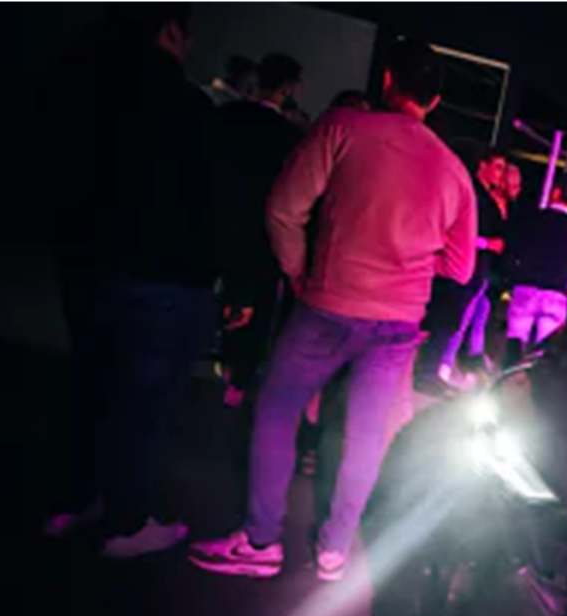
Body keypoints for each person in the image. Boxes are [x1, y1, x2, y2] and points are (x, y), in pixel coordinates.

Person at [190, 39, 477, 583]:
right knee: (366, 435)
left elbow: (283, 209)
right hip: (399, 322)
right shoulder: (453, 171)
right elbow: (460, 268)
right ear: (436, 101)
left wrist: (298, 270)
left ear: (387, 80)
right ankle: (334, 551)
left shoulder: (344, 127)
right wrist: (411, 259)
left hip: (327, 303)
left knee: (276, 409)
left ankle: (260, 540)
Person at [43, 1, 218, 559]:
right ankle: (127, 521)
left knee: (90, 392)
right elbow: (205, 202)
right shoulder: (188, 106)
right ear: (170, 31)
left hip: (90, 266)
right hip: (163, 278)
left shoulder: (85, 89)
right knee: (143, 409)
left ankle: (73, 501)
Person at [215, 52, 306, 408]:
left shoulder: (228, 117)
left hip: (222, 219)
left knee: (222, 292)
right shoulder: (289, 137)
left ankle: (221, 362)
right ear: (289, 88)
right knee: (259, 307)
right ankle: (238, 378)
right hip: (263, 232)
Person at [434, 147, 511, 391]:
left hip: (482, 271)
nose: (500, 175)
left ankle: (459, 365)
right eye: (497, 167)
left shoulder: (488, 199)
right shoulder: (474, 196)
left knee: (474, 319)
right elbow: (464, 234)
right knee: (459, 320)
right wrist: (488, 243)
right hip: (470, 267)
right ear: (482, 166)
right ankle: (442, 366)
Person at [501, 175, 567, 366]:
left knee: (514, 345)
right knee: (543, 355)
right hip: (555, 295)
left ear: (555, 192)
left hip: (525, 289)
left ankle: (507, 378)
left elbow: (510, 251)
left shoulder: (531, 220)